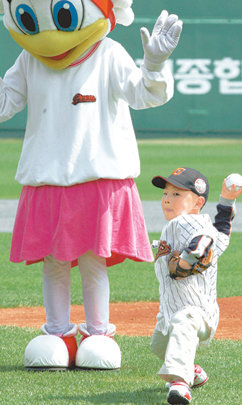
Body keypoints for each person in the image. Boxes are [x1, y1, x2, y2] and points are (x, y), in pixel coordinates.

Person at [0, 0, 182, 368]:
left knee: (91, 261)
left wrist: (155, 64)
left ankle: (98, 334)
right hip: (46, 177)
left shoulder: (109, 52)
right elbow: (6, 102)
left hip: (98, 176)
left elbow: (145, 94)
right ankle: (58, 335)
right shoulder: (29, 59)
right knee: (53, 262)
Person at [150, 166, 242, 404]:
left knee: (183, 324)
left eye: (177, 194)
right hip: (172, 310)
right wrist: (227, 200)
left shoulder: (187, 222)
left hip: (196, 312)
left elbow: (203, 239)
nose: (167, 200)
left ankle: (181, 385)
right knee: (160, 346)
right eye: (166, 194)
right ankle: (193, 370)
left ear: (197, 202)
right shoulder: (176, 224)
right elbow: (221, 235)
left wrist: (190, 256)